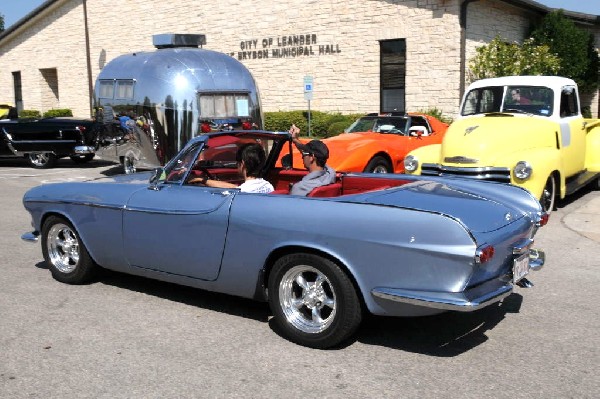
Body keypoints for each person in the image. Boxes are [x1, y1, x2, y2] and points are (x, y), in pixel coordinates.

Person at [189, 143, 274, 193]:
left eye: (237, 162)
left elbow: (236, 190)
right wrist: (203, 180)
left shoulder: (240, 194)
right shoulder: (268, 186)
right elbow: (235, 187)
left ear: (242, 163)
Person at [288, 124, 336, 196]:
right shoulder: (331, 175)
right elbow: (318, 156)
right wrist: (295, 140)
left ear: (312, 158)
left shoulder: (300, 188)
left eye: (304, 154)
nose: (302, 157)